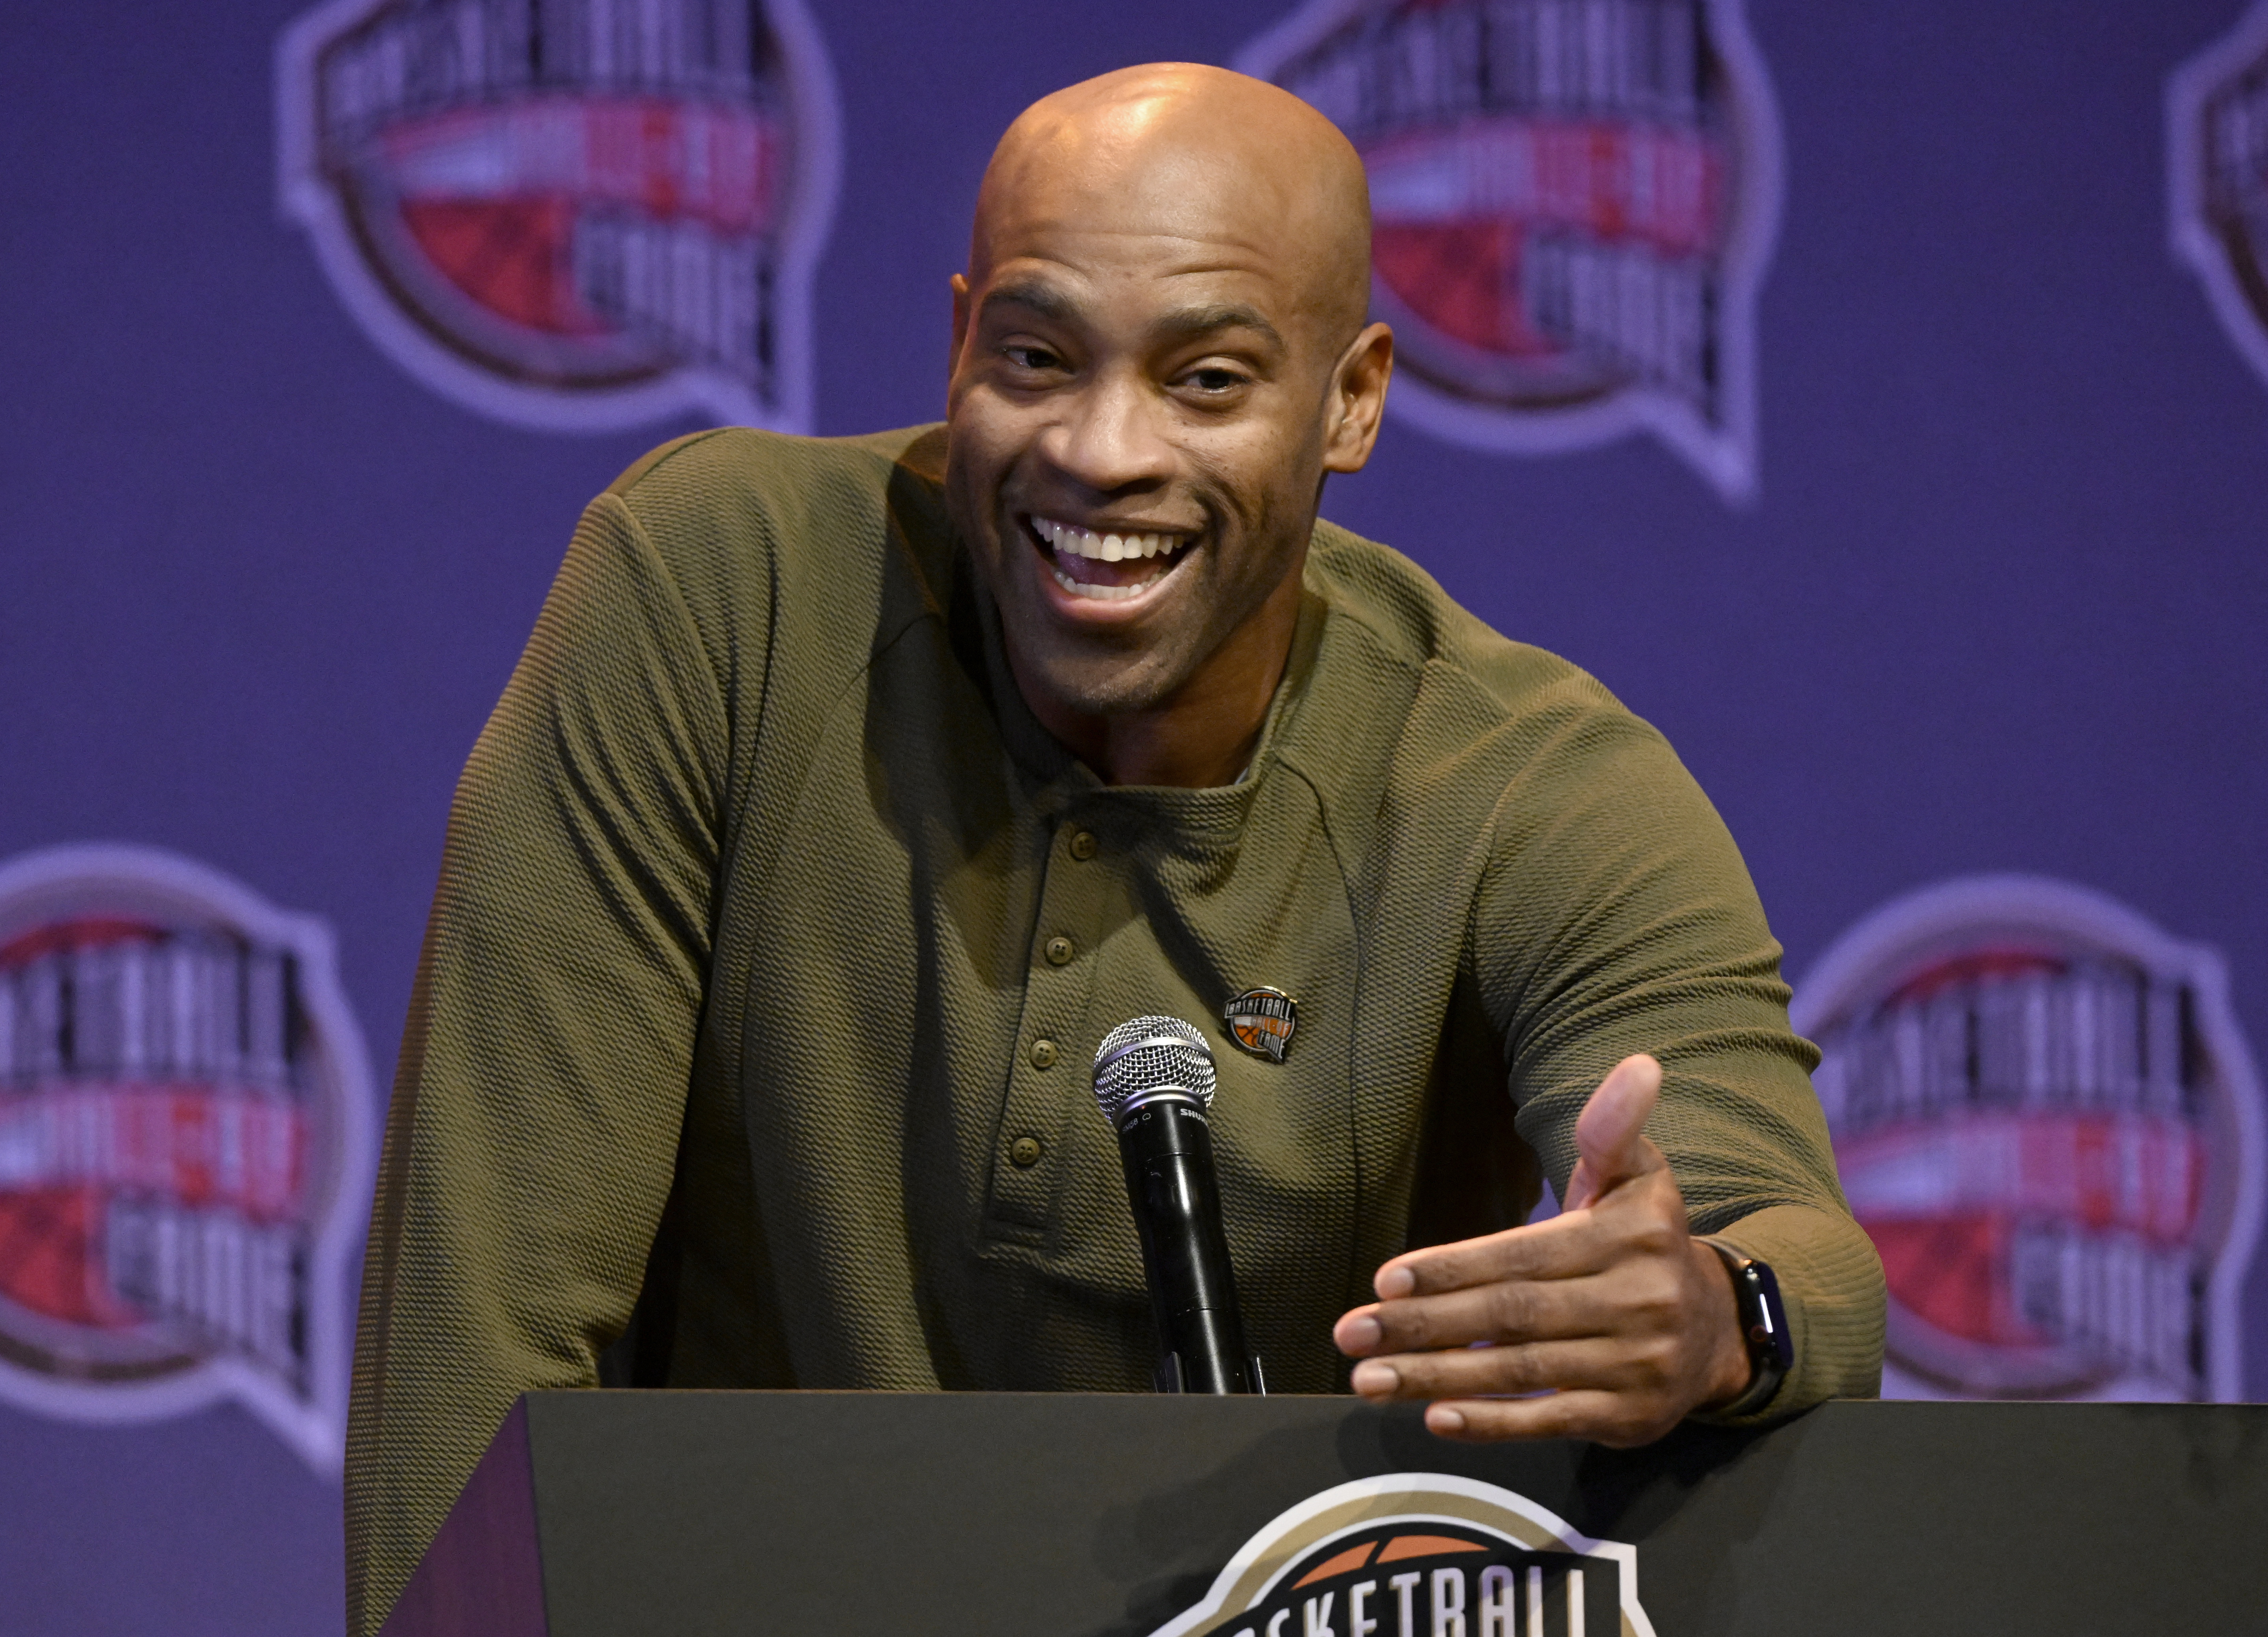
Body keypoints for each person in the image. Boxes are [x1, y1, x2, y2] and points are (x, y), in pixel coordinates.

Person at [342, 62, 1885, 1636]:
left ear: (1352, 397)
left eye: (1208, 380)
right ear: (960, 344)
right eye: (1036, 356)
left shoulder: (1521, 777)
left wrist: (1715, 1315)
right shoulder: (717, 599)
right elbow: (489, 1334)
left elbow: (1793, 1243)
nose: (1099, 450)